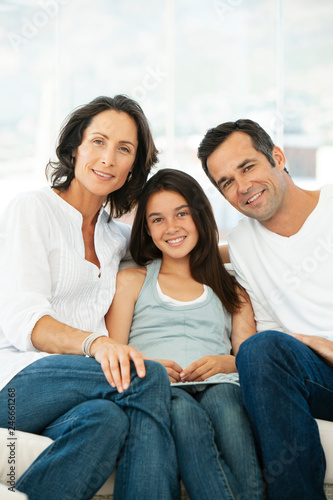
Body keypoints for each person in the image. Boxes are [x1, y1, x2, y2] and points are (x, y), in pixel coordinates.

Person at [0, 95, 179, 500]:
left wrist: (234, 250)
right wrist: (98, 345)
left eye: (124, 149)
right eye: (98, 141)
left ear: (134, 165)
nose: (108, 159)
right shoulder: (32, 209)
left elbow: (175, 248)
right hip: (12, 386)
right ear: (75, 147)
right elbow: (23, 320)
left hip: (79, 391)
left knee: (105, 421)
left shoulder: (114, 238)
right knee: (146, 377)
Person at [105, 168, 263, 500]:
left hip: (220, 385)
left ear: (200, 217)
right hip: (162, 386)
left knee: (228, 411)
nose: (172, 227)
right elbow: (113, 352)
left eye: (182, 214)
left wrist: (225, 363)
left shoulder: (231, 289)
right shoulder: (132, 281)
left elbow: (251, 357)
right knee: (183, 413)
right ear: (147, 230)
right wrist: (147, 365)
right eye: (158, 219)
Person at [197, 118, 333, 500]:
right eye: (226, 182)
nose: (242, 188)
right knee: (260, 348)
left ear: (277, 156)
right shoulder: (242, 243)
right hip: (319, 377)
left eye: (247, 167)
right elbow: (271, 332)